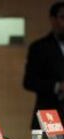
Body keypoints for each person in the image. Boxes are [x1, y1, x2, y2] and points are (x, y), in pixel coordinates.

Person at [23, 1, 64, 129]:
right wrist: (58, 86)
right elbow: (29, 81)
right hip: (50, 115)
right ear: (53, 20)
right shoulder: (39, 47)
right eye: (63, 17)